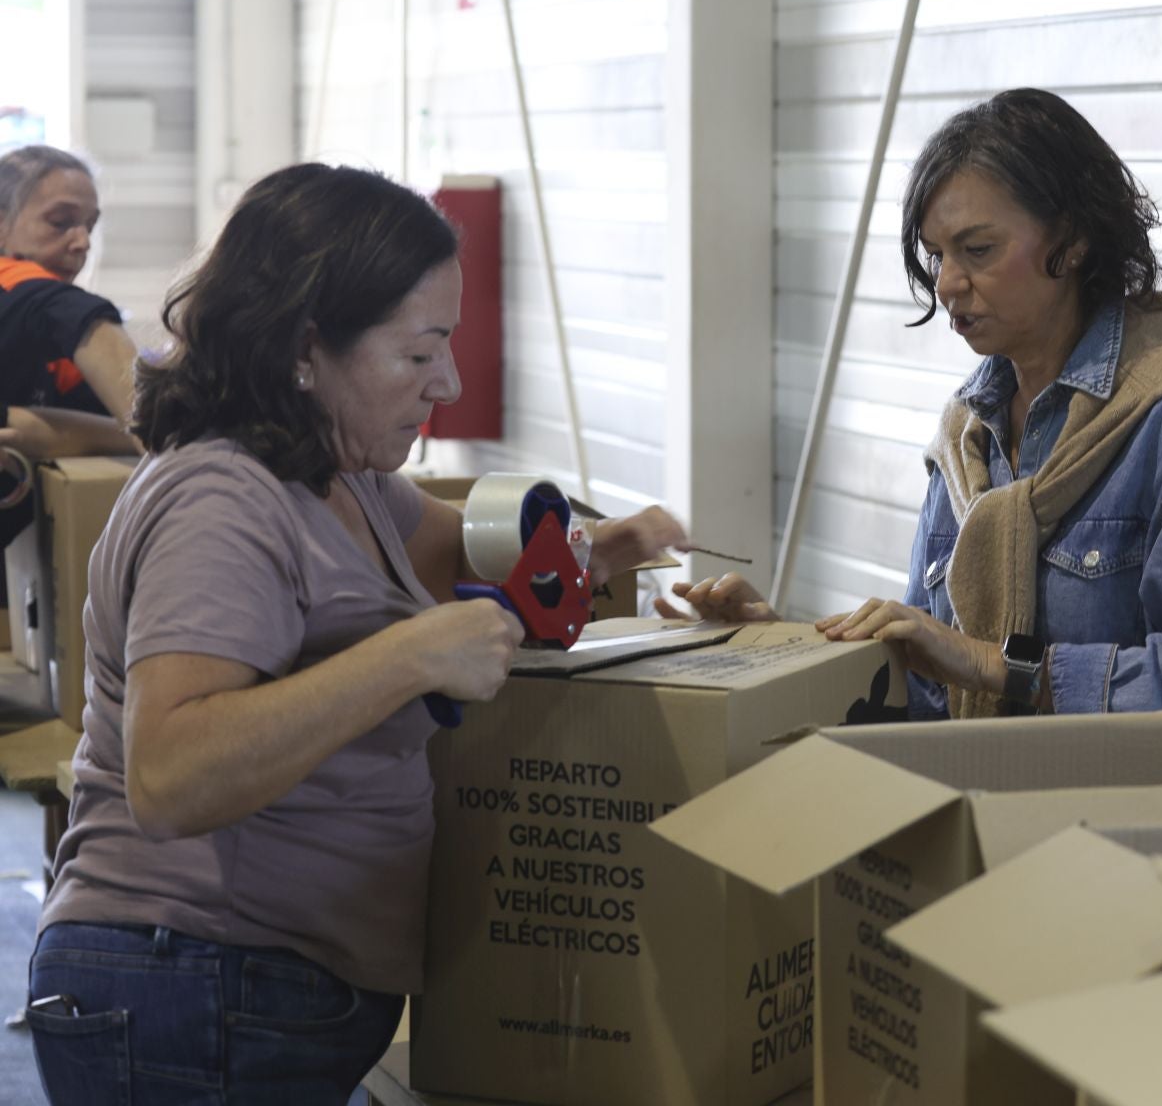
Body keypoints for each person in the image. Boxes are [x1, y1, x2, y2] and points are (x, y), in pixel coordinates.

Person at [26, 163, 691, 1103]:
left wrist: (624, 550)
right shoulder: (221, 500)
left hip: (257, 994)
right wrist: (408, 656)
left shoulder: (347, 482)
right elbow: (170, 775)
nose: (448, 382)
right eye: (419, 354)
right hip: (193, 985)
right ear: (307, 347)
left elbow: (483, 567)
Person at [670, 88, 1162, 719]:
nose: (949, 283)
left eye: (978, 250)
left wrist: (996, 665)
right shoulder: (968, 438)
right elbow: (927, 688)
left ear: (1070, 243)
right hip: (1004, 813)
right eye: (936, 254)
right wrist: (787, 649)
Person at [0, 145, 141, 470]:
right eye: (60, 222)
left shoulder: (55, 347)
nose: (83, 243)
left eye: (89, 226)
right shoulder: (15, 282)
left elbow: (26, 428)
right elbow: (66, 308)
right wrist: (157, 437)